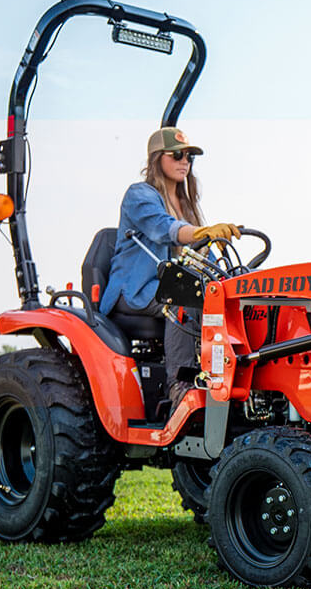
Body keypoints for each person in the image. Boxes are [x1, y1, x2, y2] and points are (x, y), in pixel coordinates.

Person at [101, 126, 240, 412]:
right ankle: (180, 386)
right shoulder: (140, 195)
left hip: (170, 284)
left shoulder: (187, 204)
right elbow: (164, 229)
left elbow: (201, 254)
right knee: (183, 302)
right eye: (176, 155)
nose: (184, 161)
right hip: (137, 289)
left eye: (189, 156)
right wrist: (203, 232)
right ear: (156, 159)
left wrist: (227, 271)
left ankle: (230, 380)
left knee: (225, 296)